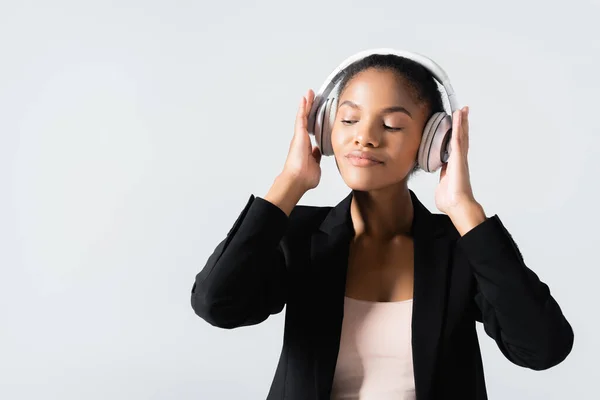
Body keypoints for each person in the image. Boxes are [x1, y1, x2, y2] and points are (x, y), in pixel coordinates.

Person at [190, 50, 574, 400]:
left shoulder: (461, 248)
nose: (365, 137)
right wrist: (290, 182)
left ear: (432, 144)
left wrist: (463, 208)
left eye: (391, 125)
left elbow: (542, 348)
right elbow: (217, 305)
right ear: (325, 130)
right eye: (349, 119)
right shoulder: (298, 236)